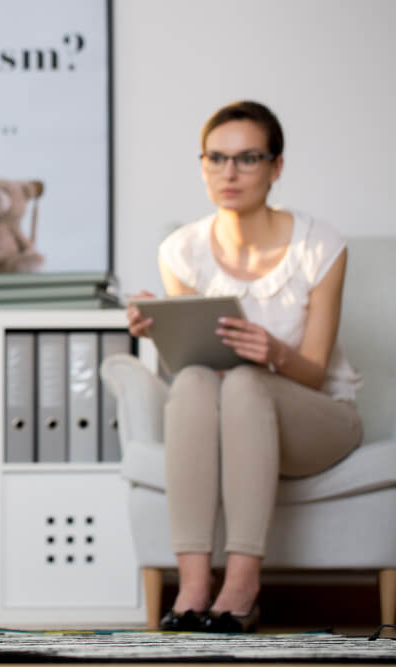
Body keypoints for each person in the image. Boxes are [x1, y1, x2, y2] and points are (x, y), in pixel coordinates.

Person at [126, 101, 362, 633]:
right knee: (190, 380)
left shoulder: (320, 245)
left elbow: (317, 371)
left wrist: (273, 351)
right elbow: (198, 369)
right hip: (231, 415)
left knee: (249, 382)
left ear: (276, 167)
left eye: (248, 158)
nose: (229, 173)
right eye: (217, 158)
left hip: (319, 418)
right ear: (203, 165)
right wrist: (159, 330)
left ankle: (242, 583)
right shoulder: (181, 249)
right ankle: (191, 585)